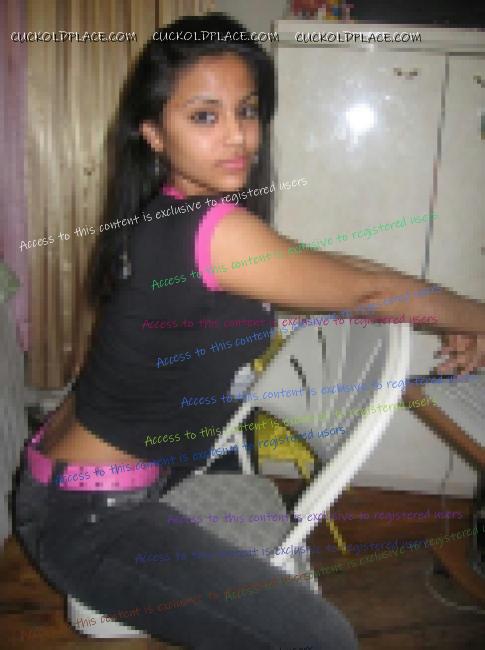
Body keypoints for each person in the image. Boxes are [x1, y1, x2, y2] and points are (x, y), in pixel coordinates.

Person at [14, 12, 485, 650]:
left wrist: (456, 310)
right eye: (204, 116)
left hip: (74, 484)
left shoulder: (177, 215)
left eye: (248, 110)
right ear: (153, 133)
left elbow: (339, 270)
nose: (238, 135)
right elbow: (367, 290)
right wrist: (476, 317)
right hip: (90, 519)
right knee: (322, 639)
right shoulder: (210, 231)